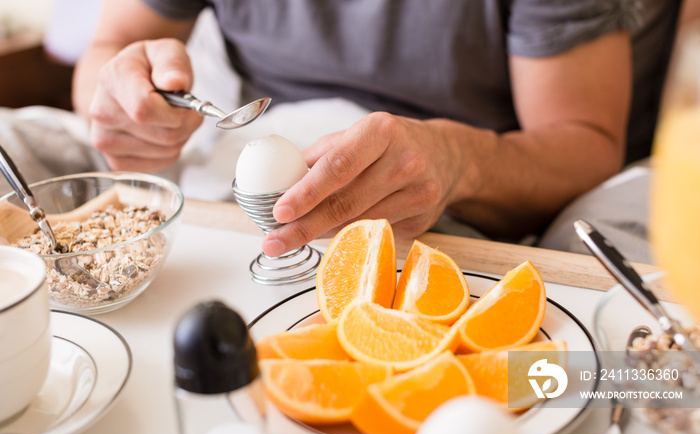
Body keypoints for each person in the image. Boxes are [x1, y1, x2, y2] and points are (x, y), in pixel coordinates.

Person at [68, 1, 681, 260]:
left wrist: (456, 160)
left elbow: (584, 141)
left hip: (462, 195)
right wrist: (125, 102)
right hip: (243, 174)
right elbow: (111, 44)